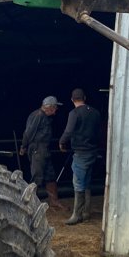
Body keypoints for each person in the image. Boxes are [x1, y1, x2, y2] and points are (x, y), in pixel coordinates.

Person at [59, 88, 101, 225]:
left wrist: (62, 142)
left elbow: (69, 131)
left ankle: (76, 215)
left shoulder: (74, 113)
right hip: (93, 151)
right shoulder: (95, 113)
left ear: (72, 100)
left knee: (78, 183)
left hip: (81, 152)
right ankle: (86, 212)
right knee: (87, 181)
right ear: (85, 97)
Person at [20, 96, 66, 210]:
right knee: (37, 176)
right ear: (49, 107)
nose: (56, 110)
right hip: (37, 149)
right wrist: (23, 146)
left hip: (44, 149)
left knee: (50, 175)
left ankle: (54, 201)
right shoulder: (38, 115)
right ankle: (30, 204)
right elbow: (28, 132)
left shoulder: (44, 117)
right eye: (55, 108)